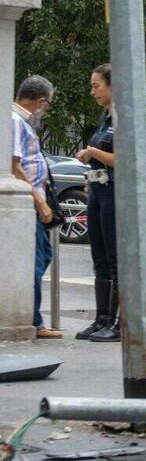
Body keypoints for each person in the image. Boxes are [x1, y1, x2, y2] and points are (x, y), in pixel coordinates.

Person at [11, 75, 62, 339]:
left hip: (31, 199)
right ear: (41, 101)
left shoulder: (18, 121)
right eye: (48, 104)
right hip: (28, 202)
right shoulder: (15, 121)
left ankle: (34, 317)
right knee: (36, 259)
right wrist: (39, 201)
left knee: (42, 255)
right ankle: (34, 320)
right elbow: (14, 164)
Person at [74, 64, 120, 342]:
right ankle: (101, 318)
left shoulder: (123, 117)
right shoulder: (105, 118)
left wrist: (92, 152)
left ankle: (118, 323)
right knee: (99, 259)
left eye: (96, 86)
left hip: (116, 193)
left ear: (113, 86)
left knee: (116, 260)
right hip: (98, 192)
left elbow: (125, 158)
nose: (93, 92)